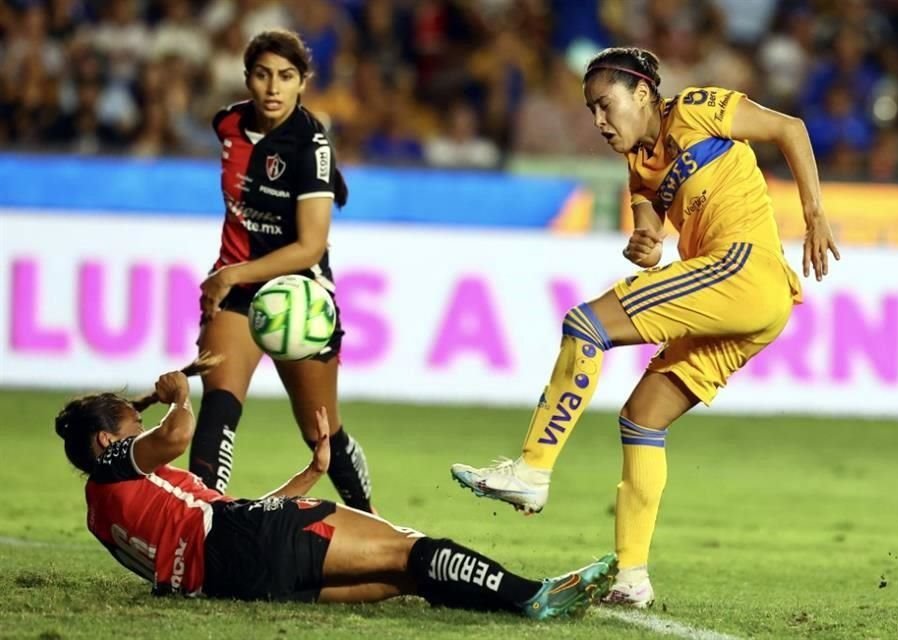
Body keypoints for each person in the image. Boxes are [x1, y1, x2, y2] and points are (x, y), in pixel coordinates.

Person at [451, 47, 841, 607]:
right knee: (641, 418)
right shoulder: (638, 168)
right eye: (590, 111)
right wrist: (644, 243)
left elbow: (789, 128)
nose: (599, 122)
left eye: (605, 106)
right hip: (750, 301)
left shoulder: (700, 109)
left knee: (586, 323)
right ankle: (632, 578)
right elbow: (650, 245)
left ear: (641, 95)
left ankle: (533, 469)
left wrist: (814, 212)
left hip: (745, 268)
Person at [54, 365, 617, 617]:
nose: (140, 434)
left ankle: (518, 607)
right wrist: (178, 395)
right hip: (238, 540)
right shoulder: (115, 464)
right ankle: (532, 595)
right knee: (409, 547)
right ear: (107, 440)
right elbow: (178, 436)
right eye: (131, 427)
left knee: (403, 580)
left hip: (236, 578)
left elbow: (217, 516)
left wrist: (309, 472)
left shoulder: (99, 514)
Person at [191, 28, 372, 512]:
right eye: (263, 74)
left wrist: (229, 273)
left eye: (286, 77)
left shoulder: (311, 146)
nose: (273, 87)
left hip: (298, 294)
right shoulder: (227, 123)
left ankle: (376, 523)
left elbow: (310, 247)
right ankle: (200, 524)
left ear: (303, 83)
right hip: (237, 289)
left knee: (321, 430)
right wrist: (232, 275)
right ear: (247, 79)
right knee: (219, 406)